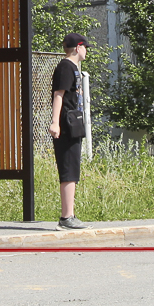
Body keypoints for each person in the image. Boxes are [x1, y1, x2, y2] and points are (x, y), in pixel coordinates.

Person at [48, 32, 89, 230]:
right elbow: (58, 95)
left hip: (74, 124)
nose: (86, 51)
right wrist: (55, 122)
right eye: (85, 47)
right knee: (68, 169)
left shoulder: (73, 68)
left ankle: (70, 214)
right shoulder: (65, 67)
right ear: (77, 47)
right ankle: (66, 217)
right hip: (66, 124)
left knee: (73, 168)